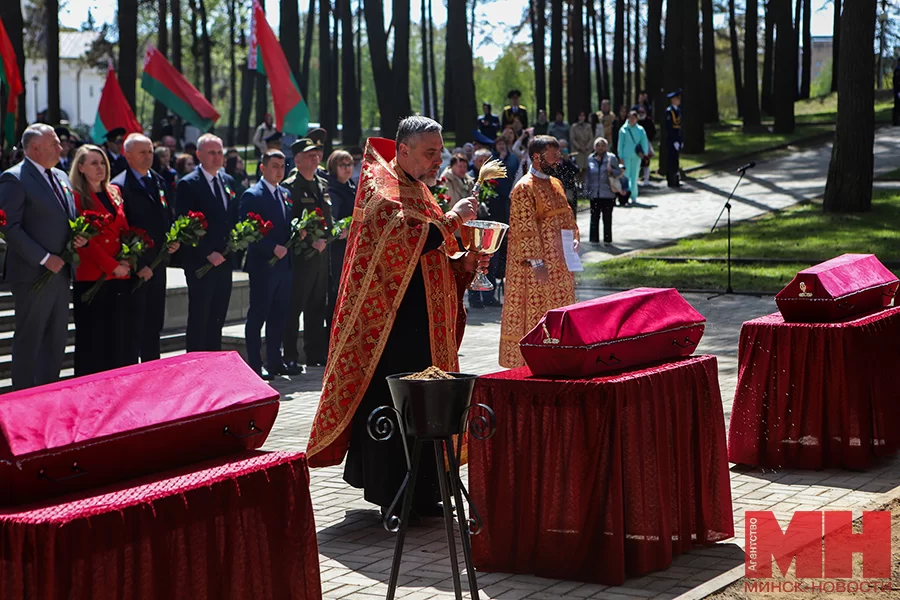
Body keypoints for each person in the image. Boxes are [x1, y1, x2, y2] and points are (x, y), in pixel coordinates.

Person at [305, 116, 485, 520]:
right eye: (430, 152)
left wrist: (466, 262)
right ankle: (394, 492)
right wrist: (453, 218)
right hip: (391, 326)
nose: (438, 159)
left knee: (428, 402)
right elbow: (404, 239)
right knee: (397, 403)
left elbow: (432, 255)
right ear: (403, 150)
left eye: (439, 151)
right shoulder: (380, 185)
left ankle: (426, 491)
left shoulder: (419, 188)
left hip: (425, 323)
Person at [0, 124, 86, 390]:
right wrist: (43, 257)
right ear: (35, 147)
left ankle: (49, 393)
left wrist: (77, 237)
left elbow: (65, 218)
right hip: (33, 273)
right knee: (31, 338)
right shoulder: (14, 178)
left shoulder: (60, 176)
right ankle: (24, 398)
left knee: (56, 338)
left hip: (60, 273)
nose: (61, 148)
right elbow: (8, 226)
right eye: (54, 144)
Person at [499, 135, 579, 369]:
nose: (557, 161)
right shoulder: (524, 188)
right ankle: (533, 361)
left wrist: (575, 239)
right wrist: (537, 264)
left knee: (561, 312)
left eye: (558, 156)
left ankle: (560, 357)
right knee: (537, 313)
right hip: (539, 269)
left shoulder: (556, 184)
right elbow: (525, 229)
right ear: (536, 157)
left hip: (562, 265)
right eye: (553, 156)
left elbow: (568, 217)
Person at [112, 133, 179, 363]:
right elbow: (121, 230)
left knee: (154, 324)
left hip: (158, 265)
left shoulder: (158, 181)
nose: (148, 157)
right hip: (135, 270)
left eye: (150, 151)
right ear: (128, 156)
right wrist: (138, 264)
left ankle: (154, 372)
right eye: (142, 152)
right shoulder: (119, 186)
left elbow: (165, 216)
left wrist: (172, 239)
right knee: (134, 327)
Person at [69, 144, 132, 376]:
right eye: (94, 163)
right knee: (92, 344)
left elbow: (125, 231)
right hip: (92, 277)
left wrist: (127, 261)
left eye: (103, 162)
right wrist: (112, 266)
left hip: (119, 277)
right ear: (81, 167)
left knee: (116, 341)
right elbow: (83, 242)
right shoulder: (76, 197)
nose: (100, 168)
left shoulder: (114, 192)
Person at [175, 133, 239, 352]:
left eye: (220, 152)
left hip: (225, 260)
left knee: (218, 316)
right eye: (211, 153)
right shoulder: (188, 184)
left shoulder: (228, 181)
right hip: (201, 262)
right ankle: (196, 362)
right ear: (199, 154)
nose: (217, 157)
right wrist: (207, 252)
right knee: (200, 316)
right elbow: (185, 225)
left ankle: (215, 364)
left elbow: (232, 218)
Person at [240, 150, 296, 380]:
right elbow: (248, 230)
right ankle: (255, 363)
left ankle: (275, 360)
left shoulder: (285, 193)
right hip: (264, 265)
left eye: (282, 166)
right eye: (274, 166)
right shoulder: (253, 195)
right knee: (259, 315)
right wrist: (271, 247)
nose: (279, 170)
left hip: (284, 265)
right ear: (262, 168)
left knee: (279, 315)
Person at [282, 138, 332, 370]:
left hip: (322, 256)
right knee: (294, 306)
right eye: (309, 154)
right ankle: (290, 354)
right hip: (302, 256)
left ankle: (314, 353)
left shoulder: (321, 183)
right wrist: (312, 241)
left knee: (316, 306)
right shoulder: (292, 185)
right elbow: (292, 221)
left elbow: (327, 218)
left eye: (316, 153)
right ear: (297, 159)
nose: (315, 158)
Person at [325, 149, 356, 327]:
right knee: (336, 292)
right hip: (337, 249)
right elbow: (332, 219)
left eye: (349, 164)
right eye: (342, 165)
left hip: (351, 246)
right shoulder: (332, 189)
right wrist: (340, 229)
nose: (347, 168)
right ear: (333, 167)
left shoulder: (351, 187)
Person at [584, 137, 622, 245]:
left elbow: (619, 173)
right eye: (598, 145)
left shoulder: (611, 158)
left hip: (608, 193)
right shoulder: (590, 158)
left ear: (606, 146)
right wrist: (586, 190)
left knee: (607, 218)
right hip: (595, 193)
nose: (600, 148)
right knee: (594, 217)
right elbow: (587, 176)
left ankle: (607, 240)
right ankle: (594, 240)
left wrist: (612, 170)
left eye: (602, 145)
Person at [617, 110, 650, 203]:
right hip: (626, 155)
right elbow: (620, 144)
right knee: (626, 176)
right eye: (630, 118)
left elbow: (644, 141)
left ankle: (634, 195)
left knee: (635, 175)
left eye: (634, 118)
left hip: (636, 156)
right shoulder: (623, 129)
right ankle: (625, 195)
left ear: (637, 119)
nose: (632, 120)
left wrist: (644, 154)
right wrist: (620, 156)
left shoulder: (640, 130)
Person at [665, 89, 683, 187]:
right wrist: (674, 140)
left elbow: (680, 127)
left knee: (676, 160)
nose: (679, 100)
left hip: (677, 138)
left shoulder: (678, 111)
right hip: (671, 140)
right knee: (671, 160)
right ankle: (671, 180)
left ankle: (676, 180)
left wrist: (680, 140)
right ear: (673, 100)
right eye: (677, 99)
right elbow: (669, 128)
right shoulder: (669, 112)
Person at [637, 106, 656, 186]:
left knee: (646, 162)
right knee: (637, 162)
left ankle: (646, 179)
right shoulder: (636, 121)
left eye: (642, 112)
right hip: (637, 145)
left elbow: (653, 132)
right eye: (640, 112)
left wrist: (648, 140)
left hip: (646, 144)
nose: (641, 114)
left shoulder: (649, 121)